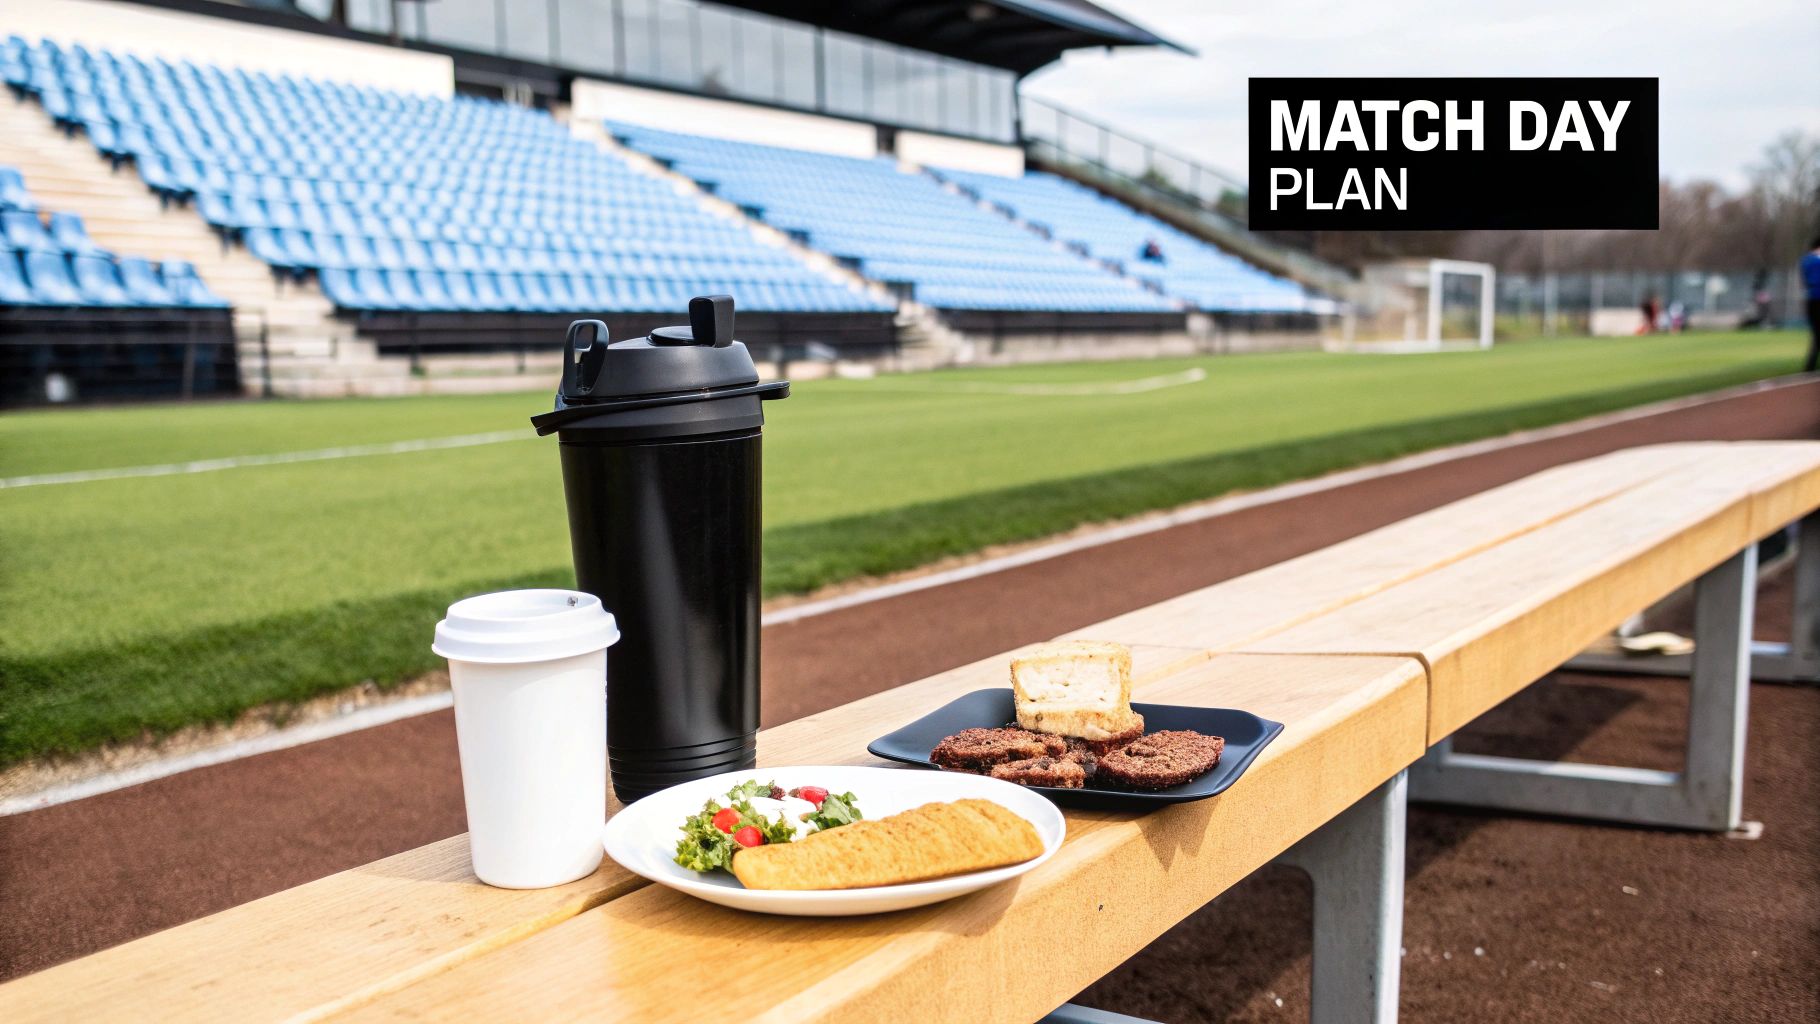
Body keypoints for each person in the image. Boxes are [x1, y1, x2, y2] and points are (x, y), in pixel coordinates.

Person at [1804, 235, 1820, 372]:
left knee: (1817, 334)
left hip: (1811, 300)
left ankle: (1810, 366)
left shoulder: (1806, 261)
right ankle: (1810, 366)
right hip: (1817, 299)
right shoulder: (1815, 262)